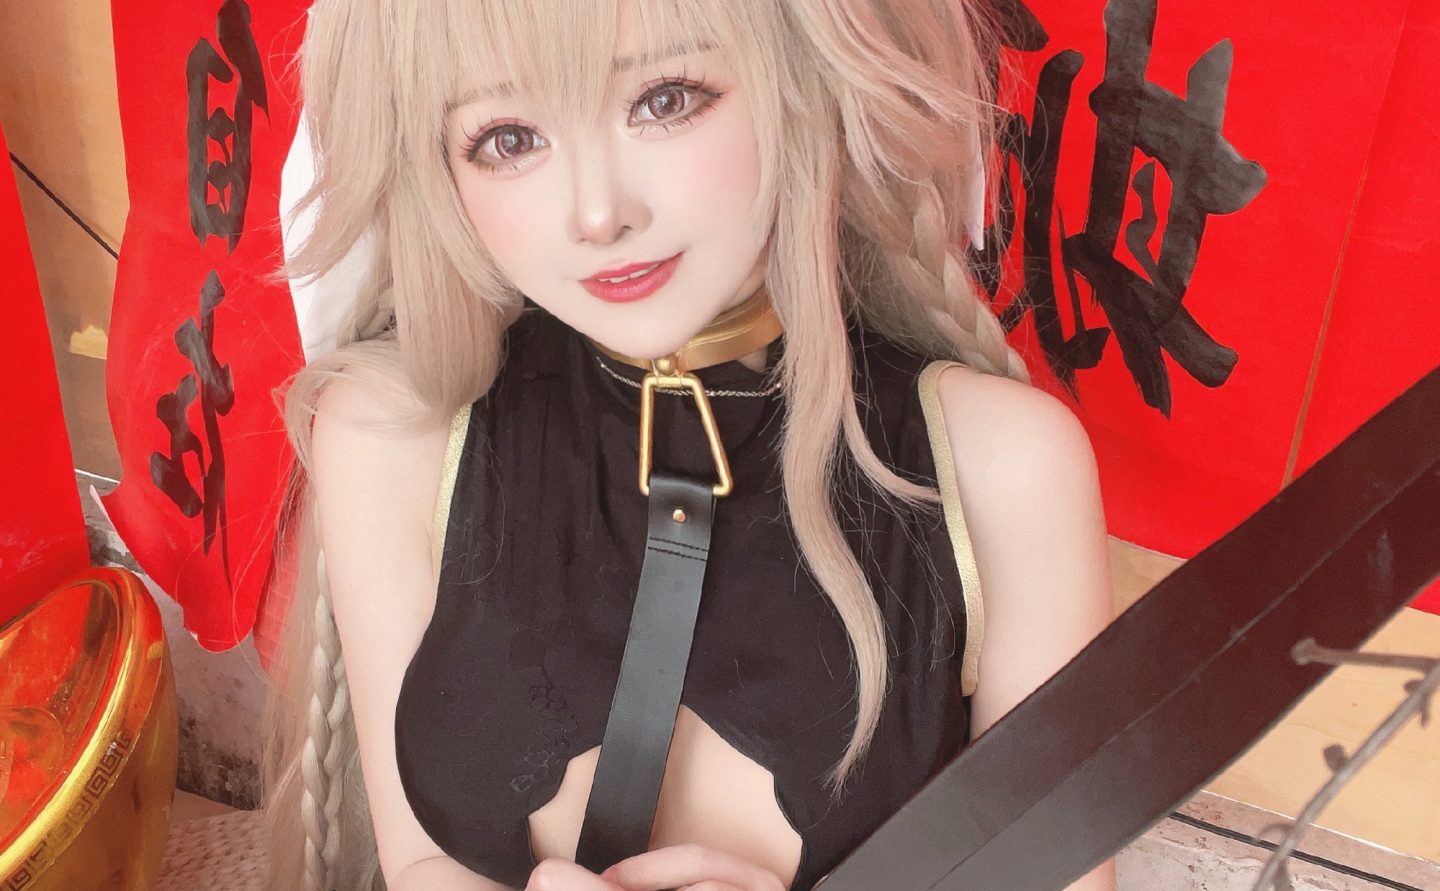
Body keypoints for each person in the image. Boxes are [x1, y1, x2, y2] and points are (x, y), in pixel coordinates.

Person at [260, 1, 1116, 889]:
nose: (598, 214)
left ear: (809, 71)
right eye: (509, 139)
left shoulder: (999, 469)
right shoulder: (393, 431)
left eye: (665, 99)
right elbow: (422, 863)